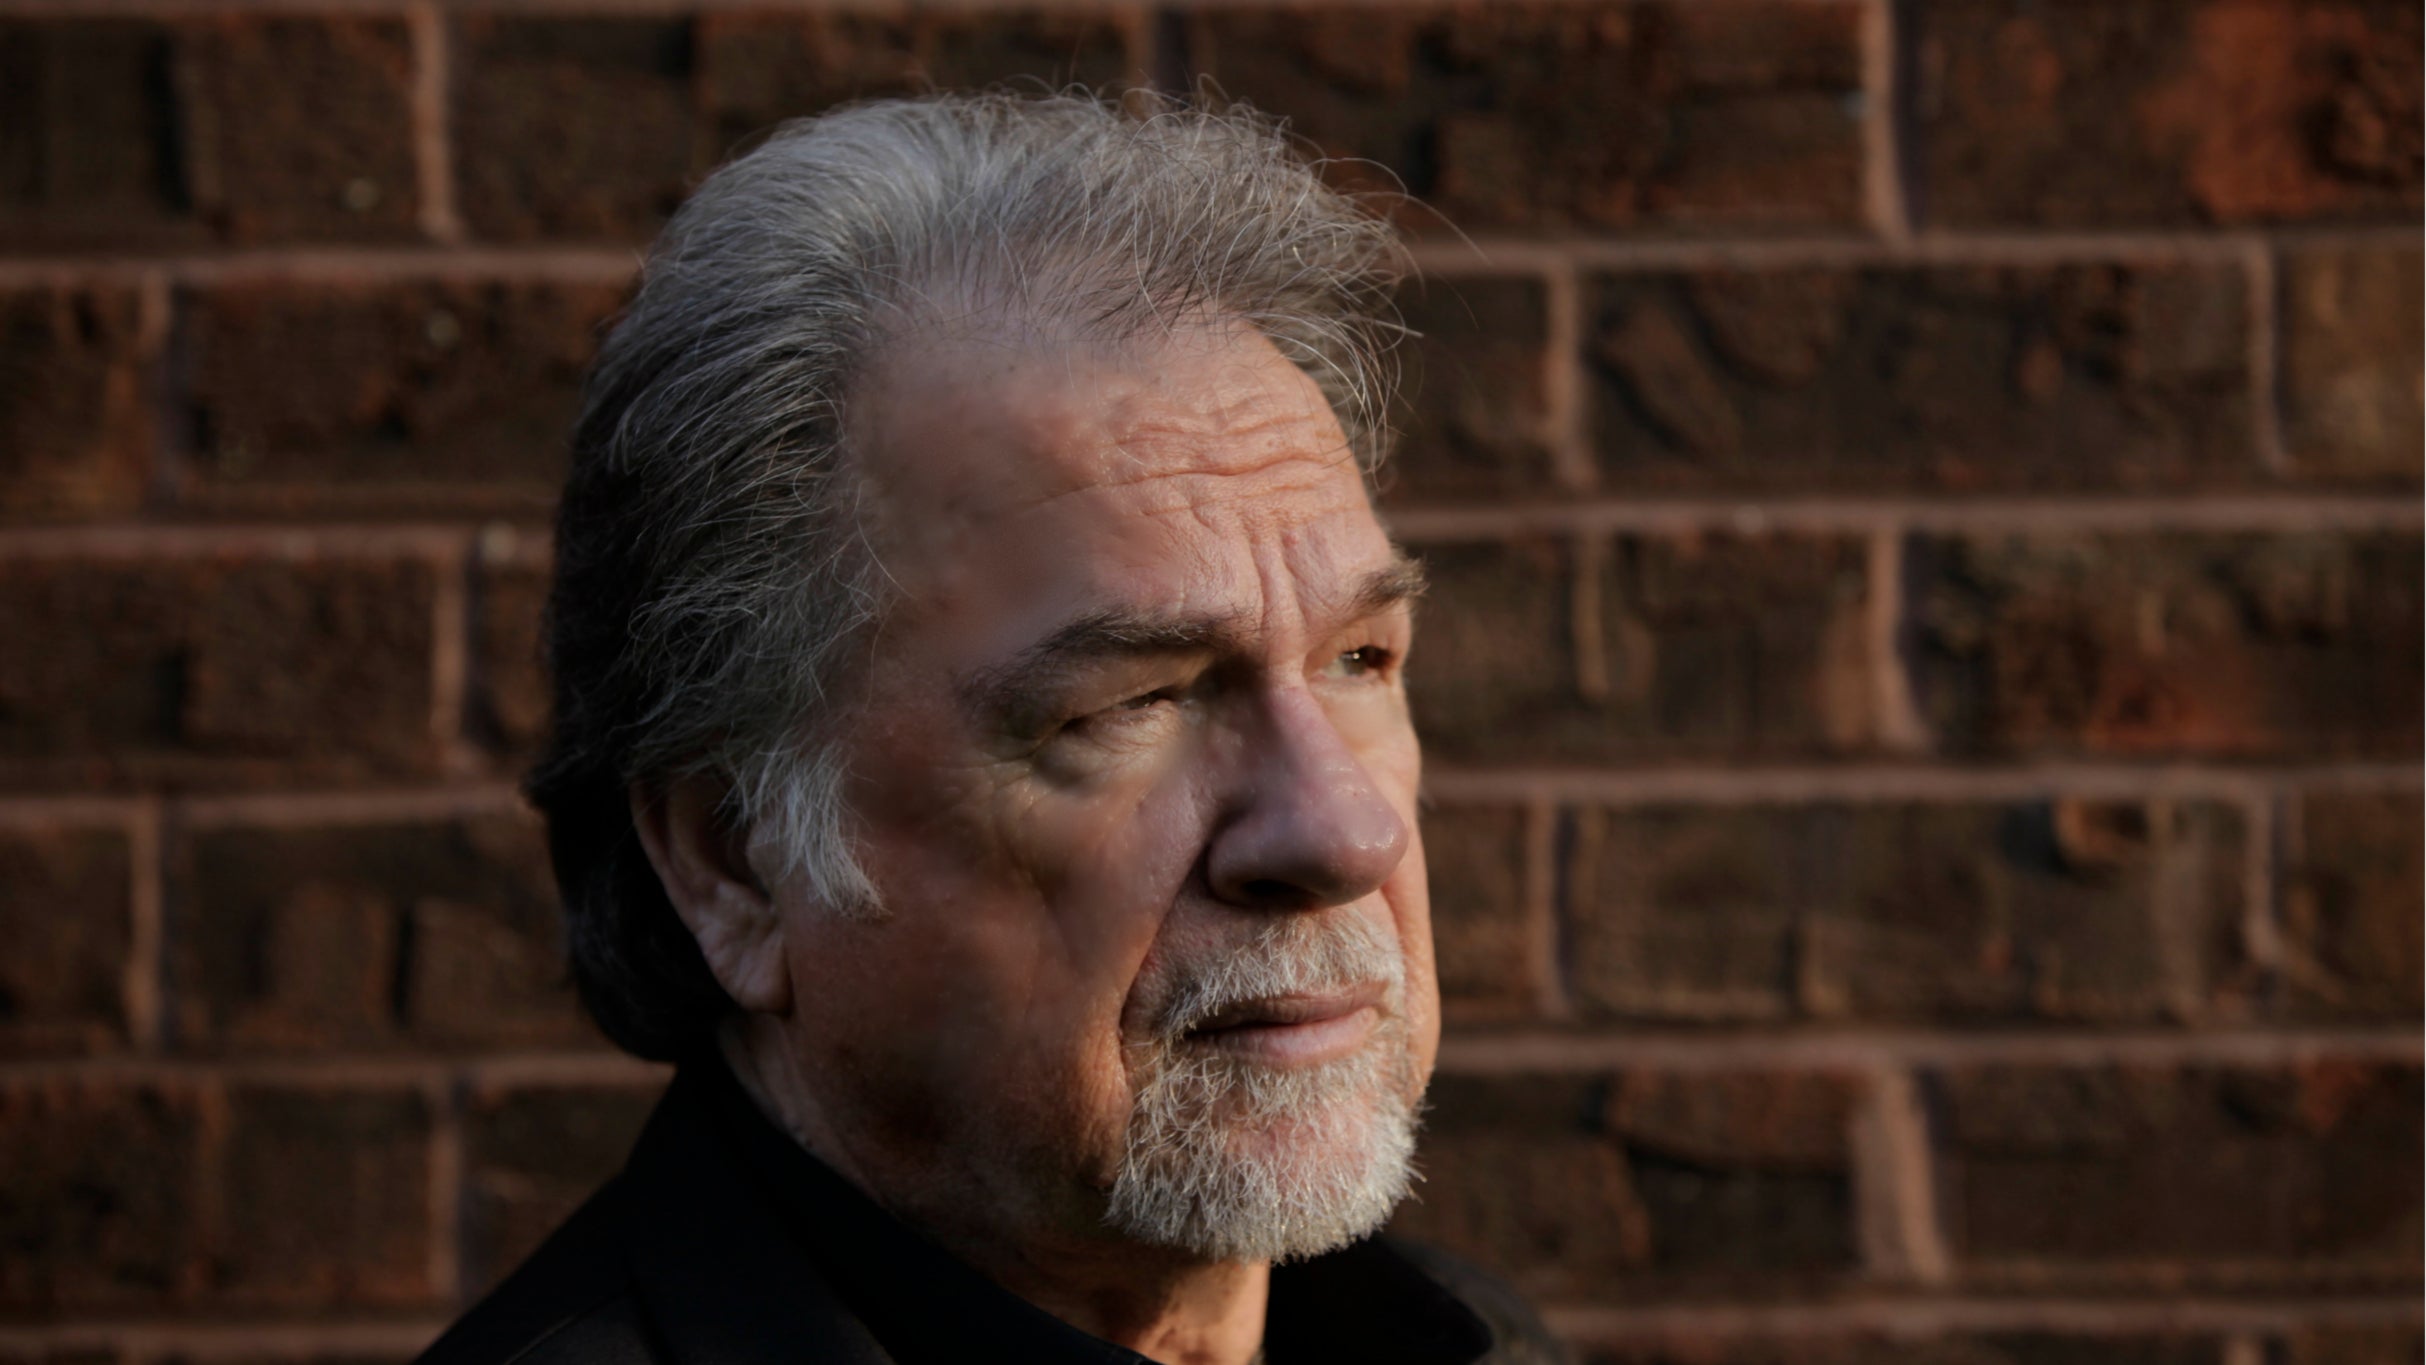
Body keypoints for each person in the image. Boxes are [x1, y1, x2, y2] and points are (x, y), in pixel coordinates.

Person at [415, 91, 1563, 1365]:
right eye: (1131, 701)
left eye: (1356, 658)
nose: (1343, 833)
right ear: (735, 859)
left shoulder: (1471, 1341)